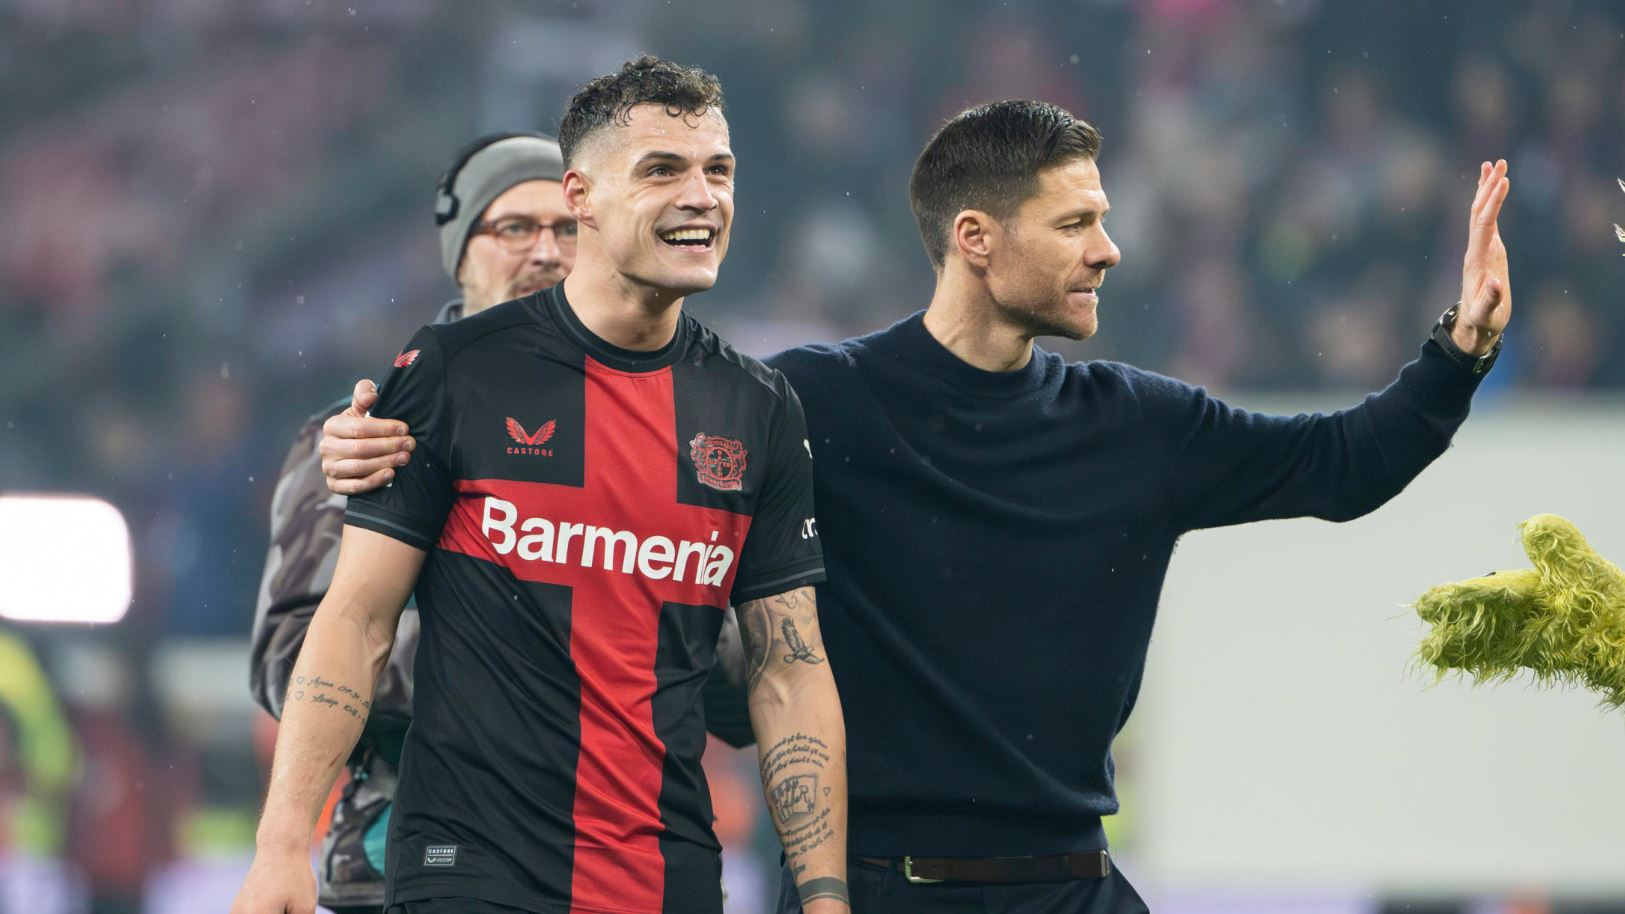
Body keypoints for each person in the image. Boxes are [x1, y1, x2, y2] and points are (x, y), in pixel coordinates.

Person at [321, 100, 1512, 913]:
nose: (1108, 249)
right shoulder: (807, 403)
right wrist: (376, 446)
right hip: (867, 882)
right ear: (974, 239)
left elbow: (1341, 465)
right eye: (1076, 223)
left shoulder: (1137, 423)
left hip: (1068, 880)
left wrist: (1458, 349)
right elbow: (609, 496)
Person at [234, 57, 848, 914]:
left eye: (719, 170)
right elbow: (336, 629)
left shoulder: (752, 407)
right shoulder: (395, 408)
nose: (702, 195)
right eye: (513, 229)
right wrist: (279, 846)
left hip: (664, 869)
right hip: (443, 861)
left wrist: (824, 892)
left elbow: (779, 675)